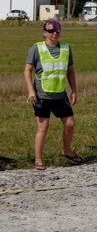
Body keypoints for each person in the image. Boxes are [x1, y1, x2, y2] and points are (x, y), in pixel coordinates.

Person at [24, 19, 82, 170]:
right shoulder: (36, 48)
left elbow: (70, 71)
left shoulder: (66, 48)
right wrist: (31, 90)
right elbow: (28, 70)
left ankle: (67, 151)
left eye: (57, 30)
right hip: (41, 95)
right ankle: (38, 159)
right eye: (51, 31)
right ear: (45, 33)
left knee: (70, 124)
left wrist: (74, 90)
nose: (54, 33)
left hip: (60, 94)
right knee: (43, 127)